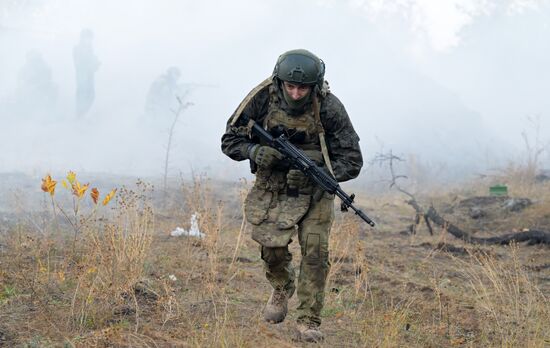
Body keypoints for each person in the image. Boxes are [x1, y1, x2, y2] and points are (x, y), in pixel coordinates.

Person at [221, 49, 363, 342]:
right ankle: (282, 287)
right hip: (273, 185)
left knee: (315, 251)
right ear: (280, 81)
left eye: (303, 88)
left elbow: (352, 160)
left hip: (315, 189)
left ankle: (308, 320)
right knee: (271, 249)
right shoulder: (261, 98)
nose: (296, 93)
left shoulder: (330, 108)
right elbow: (229, 139)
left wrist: (322, 174)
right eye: (290, 86)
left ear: (314, 85)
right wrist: (255, 151)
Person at [73, 28, 100, 118]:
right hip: (82, 78)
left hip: (89, 76)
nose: (89, 40)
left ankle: (81, 115)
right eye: (87, 38)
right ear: (82, 38)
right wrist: (91, 64)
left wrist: (96, 64)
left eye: (90, 38)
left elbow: (92, 61)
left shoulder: (89, 49)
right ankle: (79, 116)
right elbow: (79, 64)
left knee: (91, 96)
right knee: (82, 96)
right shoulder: (77, 48)